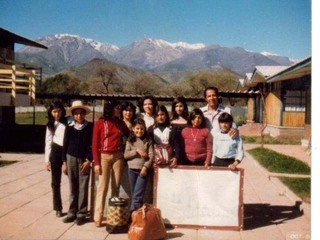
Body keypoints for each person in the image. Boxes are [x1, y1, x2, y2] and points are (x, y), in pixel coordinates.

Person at [92, 100, 130, 227]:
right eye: (117, 108)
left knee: (115, 187)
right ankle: (98, 216)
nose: (119, 110)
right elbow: (95, 144)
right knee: (102, 187)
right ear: (110, 108)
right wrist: (96, 163)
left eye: (119, 108)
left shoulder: (120, 123)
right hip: (104, 157)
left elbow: (129, 135)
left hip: (118, 157)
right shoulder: (100, 123)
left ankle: (112, 215)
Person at [62, 100, 93, 225]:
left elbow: (93, 145)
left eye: (81, 113)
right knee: (73, 186)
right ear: (73, 115)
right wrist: (64, 162)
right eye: (76, 114)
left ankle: (81, 213)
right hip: (71, 158)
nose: (79, 116)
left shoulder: (90, 127)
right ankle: (72, 212)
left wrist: (89, 160)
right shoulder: (69, 128)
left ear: (85, 114)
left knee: (83, 186)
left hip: (84, 160)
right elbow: (65, 145)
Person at [200, 86, 238, 164]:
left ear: (218, 96)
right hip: (205, 148)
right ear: (205, 98)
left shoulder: (226, 111)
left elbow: (233, 126)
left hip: (222, 148)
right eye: (209, 96)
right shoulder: (201, 112)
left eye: (214, 95)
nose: (212, 98)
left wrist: (235, 130)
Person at [124, 118, 154, 213]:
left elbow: (151, 156)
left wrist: (145, 167)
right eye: (137, 128)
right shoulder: (130, 140)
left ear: (145, 129)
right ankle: (138, 218)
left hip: (142, 171)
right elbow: (126, 155)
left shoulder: (147, 140)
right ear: (133, 128)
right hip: (131, 170)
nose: (139, 131)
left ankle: (132, 216)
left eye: (142, 129)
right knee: (136, 195)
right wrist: (137, 151)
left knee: (137, 196)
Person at [44, 100, 67, 218]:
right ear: (51, 112)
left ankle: (76, 207)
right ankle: (58, 207)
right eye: (54, 112)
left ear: (62, 111)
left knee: (73, 180)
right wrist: (47, 160)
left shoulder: (69, 121)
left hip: (67, 151)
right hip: (55, 152)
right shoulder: (50, 125)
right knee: (55, 182)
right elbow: (48, 142)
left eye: (58, 111)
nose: (57, 114)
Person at [169, 97, 189, 165]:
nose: (178, 108)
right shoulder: (170, 121)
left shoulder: (188, 121)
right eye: (176, 106)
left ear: (184, 107)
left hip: (186, 149)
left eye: (181, 106)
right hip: (174, 151)